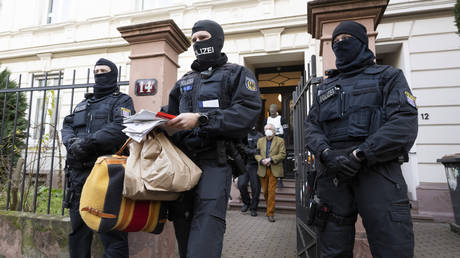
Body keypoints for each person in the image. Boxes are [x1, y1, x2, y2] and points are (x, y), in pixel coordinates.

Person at [304, 21, 418, 257]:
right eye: (335, 41)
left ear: (362, 42)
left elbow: (403, 124)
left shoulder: (389, 76)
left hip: (378, 172)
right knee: (331, 249)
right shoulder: (324, 88)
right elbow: (311, 127)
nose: (339, 43)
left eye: (346, 38)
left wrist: (361, 154)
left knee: (392, 247)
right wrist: (327, 153)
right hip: (333, 176)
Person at [164, 19, 261, 258]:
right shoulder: (184, 80)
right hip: (183, 165)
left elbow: (246, 113)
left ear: (217, 39)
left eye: (203, 38)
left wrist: (201, 119)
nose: (198, 43)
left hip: (216, 162)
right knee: (183, 224)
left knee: (207, 226)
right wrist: (157, 125)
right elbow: (171, 113)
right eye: (194, 40)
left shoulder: (237, 74)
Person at [61, 58, 135, 258]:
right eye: (97, 71)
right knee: (78, 230)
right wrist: (72, 143)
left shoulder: (122, 101)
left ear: (113, 74)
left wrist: (87, 144)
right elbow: (67, 126)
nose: (99, 74)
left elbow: (121, 127)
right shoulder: (83, 104)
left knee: (112, 231)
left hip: (106, 175)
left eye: (104, 70)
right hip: (78, 174)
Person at [255, 124, 286, 222]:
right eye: (266, 129)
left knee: (271, 191)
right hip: (263, 168)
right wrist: (261, 160)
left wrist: (271, 159)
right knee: (265, 191)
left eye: (270, 129)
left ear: (274, 131)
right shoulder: (260, 141)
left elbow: (282, 154)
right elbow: (256, 153)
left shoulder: (280, 141)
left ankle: (270, 213)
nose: (268, 130)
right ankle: (269, 207)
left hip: (274, 168)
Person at [238, 127, 263, 217]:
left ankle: (253, 208)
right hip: (244, 164)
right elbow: (241, 147)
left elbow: (261, 149)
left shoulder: (260, 135)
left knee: (255, 187)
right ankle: (246, 202)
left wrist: (252, 151)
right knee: (241, 184)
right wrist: (252, 151)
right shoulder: (243, 135)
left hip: (255, 165)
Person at [266, 104, 287, 188]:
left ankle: (279, 179)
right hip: (269, 140)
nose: (272, 110)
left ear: (276, 109)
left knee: (279, 159)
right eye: (270, 108)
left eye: (273, 108)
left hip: (279, 138)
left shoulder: (281, 119)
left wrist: (284, 141)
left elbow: (286, 130)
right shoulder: (267, 119)